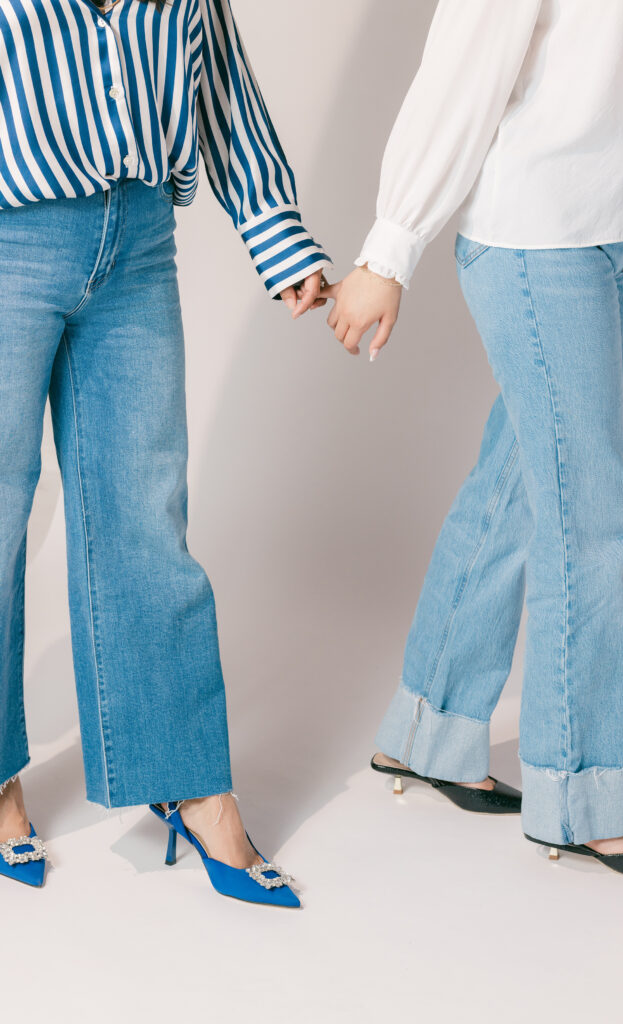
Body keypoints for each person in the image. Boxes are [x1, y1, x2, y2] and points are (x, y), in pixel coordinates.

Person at [323, 0, 623, 875]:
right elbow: (460, 73)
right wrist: (389, 251)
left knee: (520, 485)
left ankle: (428, 731)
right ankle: (580, 799)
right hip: (540, 237)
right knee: (591, 518)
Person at [0, 0, 330, 905]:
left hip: (140, 239)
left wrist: (277, 236)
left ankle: (189, 782)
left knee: (146, 518)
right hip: (10, 233)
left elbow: (219, 81)